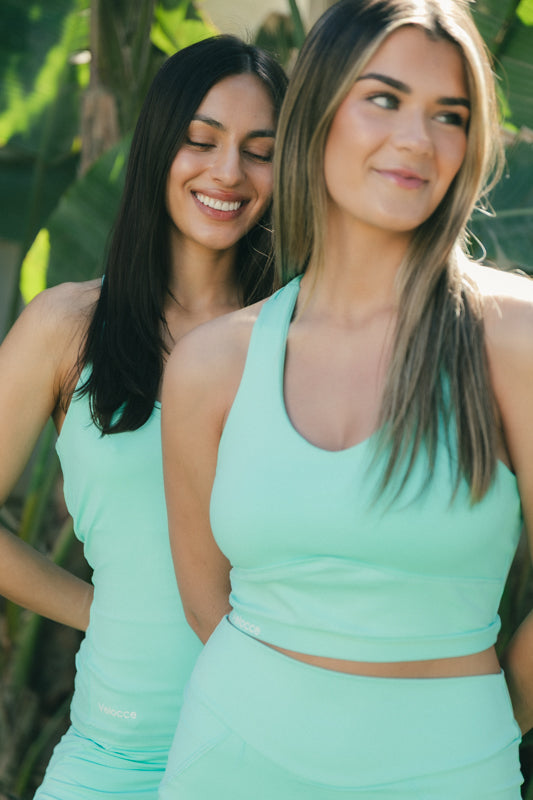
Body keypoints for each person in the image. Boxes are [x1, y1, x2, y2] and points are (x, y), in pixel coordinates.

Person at [159, 1, 533, 798]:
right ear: (318, 112)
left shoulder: (512, 340)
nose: (416, 140)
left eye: (449, 116)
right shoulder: (210, 364)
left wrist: (471, 720)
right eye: (384, 99)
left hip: (447, 764)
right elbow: (205, 604)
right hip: (231, 757)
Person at [0, 34, 287, 800]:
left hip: (285, 759)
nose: (228, 173)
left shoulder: (305, 340)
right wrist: (97, 608)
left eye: (260, 151)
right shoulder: (67, 326)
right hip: (112, 756)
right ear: (158, 145)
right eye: (201, 141)